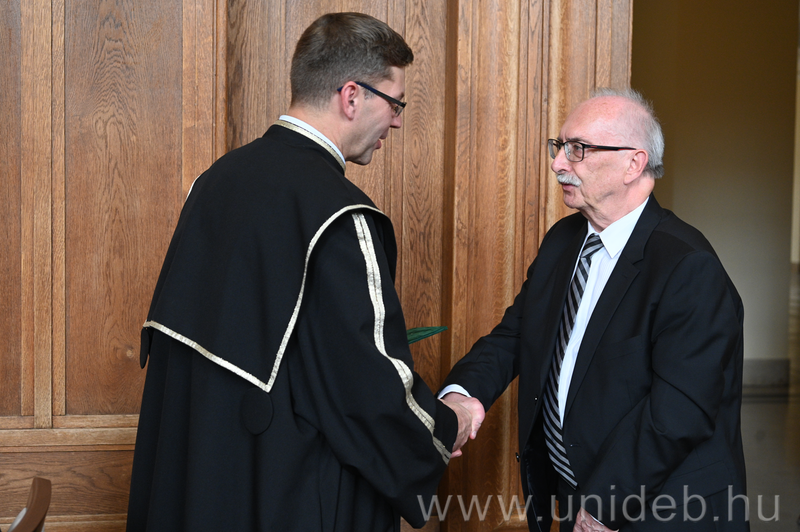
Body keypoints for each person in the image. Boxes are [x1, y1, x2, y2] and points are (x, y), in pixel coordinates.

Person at [126, 12, 482, 532]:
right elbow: (367, 389)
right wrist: (448, 425)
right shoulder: (339, 214)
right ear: (352, 96)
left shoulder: (214, 183)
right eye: (396, 103)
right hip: (283, 493)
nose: (397, 122)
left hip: (195, 480)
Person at [441, 88, 748, 531]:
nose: (558, 163)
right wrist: (462, 396)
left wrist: (605, 503)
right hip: (579, 498)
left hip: (658, 509)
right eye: (560, 146)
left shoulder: (688, 266)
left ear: (634, 164)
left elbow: (678, 412)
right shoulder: (562, 241)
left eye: (578, 149)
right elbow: (515, 335)